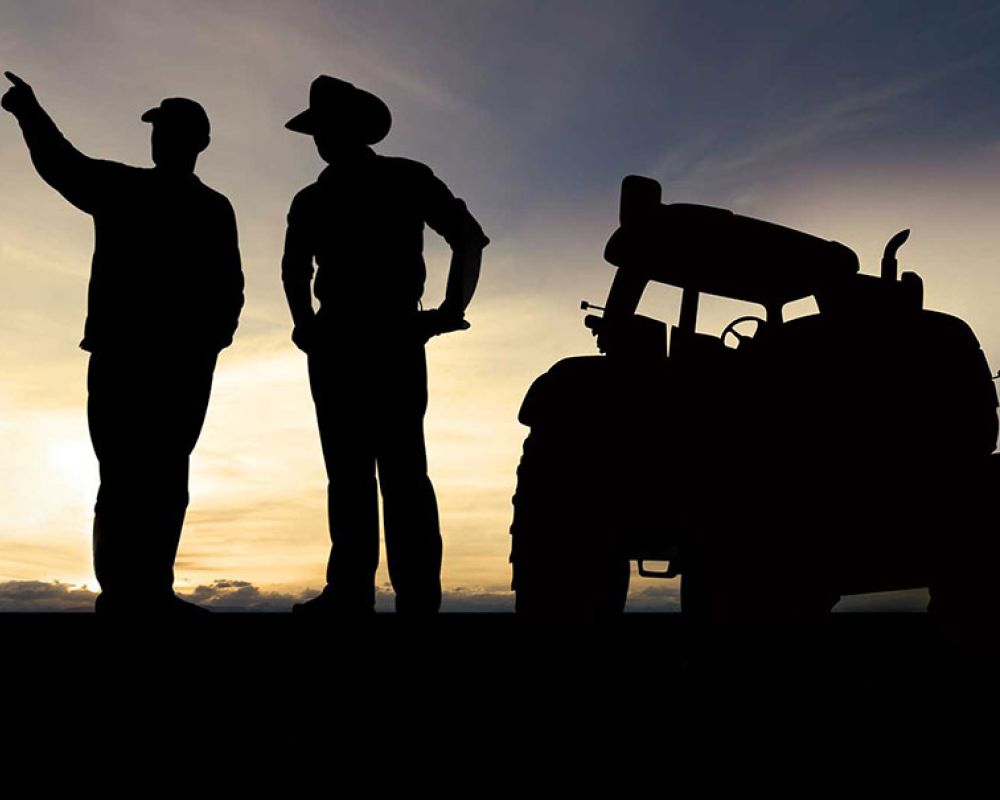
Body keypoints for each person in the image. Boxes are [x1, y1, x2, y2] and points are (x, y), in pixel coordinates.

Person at [2, 72, 244, 615]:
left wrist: (209, 344)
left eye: (170, 129)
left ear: (198, 141)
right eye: (158, 129)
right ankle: (126, 595)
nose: (159, 138)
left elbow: (230, 288)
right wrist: (29, 112)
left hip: (171, 362)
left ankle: (148, 592)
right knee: (127, 479)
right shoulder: (127, 188)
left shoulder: (207, 206)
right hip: (128, 358)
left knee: (160, 478)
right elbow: (62, 164)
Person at [282, 75, 488, 617]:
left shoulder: (325, 195)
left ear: (346, 130)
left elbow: (294, 270)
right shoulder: (386, 182)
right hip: (377, 339)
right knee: (382, 471)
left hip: (358, 340)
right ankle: (391, 597)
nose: (320, 140)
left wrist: (307, 325)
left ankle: (373, 596)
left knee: (375, 471)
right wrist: (449, 311)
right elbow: (468, 238)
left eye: (324, 129)